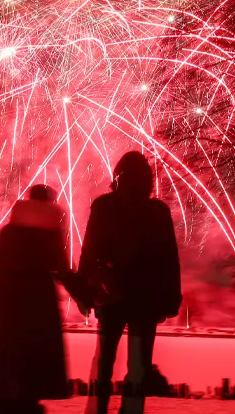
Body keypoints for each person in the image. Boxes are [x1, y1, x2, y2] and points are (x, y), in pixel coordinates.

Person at [78, 151, 182, 414]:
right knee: (138, 365)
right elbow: (169, 259)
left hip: (109, 296)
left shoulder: (103, 206)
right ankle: (132, 411)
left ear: (117, 176)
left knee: (103, 362)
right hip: (145, 300)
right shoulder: (158, 211)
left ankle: (96, 410)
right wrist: (171, 300)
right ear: (148, 179)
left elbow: (88, 250)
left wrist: (83, 291)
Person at [0, 184, 84, 414]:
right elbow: (62, 270)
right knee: (33, 368)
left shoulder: (9, 233)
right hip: (40, 306)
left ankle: (4, 407)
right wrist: (85, 295)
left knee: (9, 367)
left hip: (10, 306)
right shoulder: (49, 234)